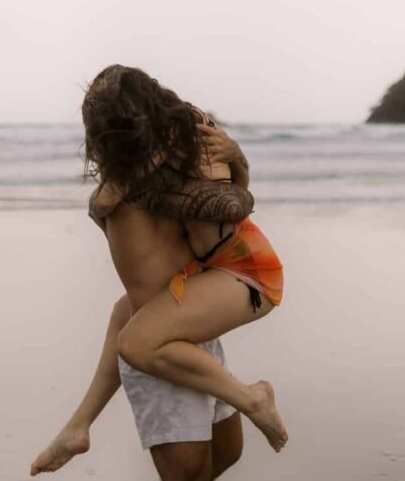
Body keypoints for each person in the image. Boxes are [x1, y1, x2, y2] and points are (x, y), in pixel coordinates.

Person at [31, 66, 287, 478]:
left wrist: (235, 157)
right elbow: (225, 208)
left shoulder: (138, 177)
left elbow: (229, 207)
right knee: (189, 472)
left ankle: (78, 426)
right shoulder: (129, 180)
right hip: (159, 340)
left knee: (227, 454)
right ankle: (248, 397)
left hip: (183, 318)